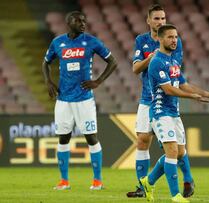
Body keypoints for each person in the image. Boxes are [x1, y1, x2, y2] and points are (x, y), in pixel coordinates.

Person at [140, 24, 209, 203]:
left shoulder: (173, 62)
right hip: (160, 111)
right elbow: (168, 89)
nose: (174, 40)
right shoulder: (156, 61)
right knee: (171, 150)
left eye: (176, 37)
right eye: (170, 37)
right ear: (160, 39)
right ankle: (175, 195)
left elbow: (184, 84)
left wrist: (207, 93)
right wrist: (192, 97)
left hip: (173, 113)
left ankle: (148, 182)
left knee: (180, 153)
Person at [42, 11, 117, 190]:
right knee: (63, 139)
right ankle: (64, 181)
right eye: (79, 20)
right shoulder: (58, 42)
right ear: (69, 22)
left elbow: (112, 62)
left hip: (84, 99)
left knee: (91, 138)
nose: (83, 23)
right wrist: (48, 81)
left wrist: (98, 81)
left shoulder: (91, 41)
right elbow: (45, 62)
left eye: (84, 20)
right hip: (63, 100)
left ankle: (97, 181)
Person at [127, 4, 194, 198]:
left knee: (176, 148)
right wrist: (151, 58)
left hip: (167, 98)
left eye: (163, 18)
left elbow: (175, 70)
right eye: (156, 18)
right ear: (148, 21)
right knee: (142, 140)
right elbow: (136, 68)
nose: (160, 21)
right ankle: (143, 186)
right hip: (147, 98)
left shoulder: (174, 41)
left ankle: (188, 179)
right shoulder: (142, 40)